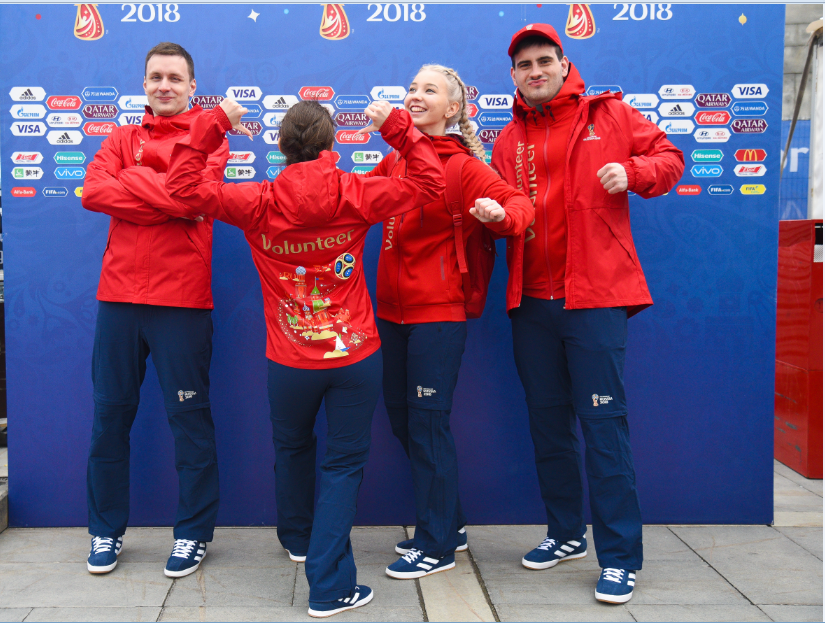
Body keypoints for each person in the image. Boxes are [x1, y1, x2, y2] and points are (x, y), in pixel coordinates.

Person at [165, 97, 444, 617]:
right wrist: (401, 130)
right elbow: (432, 185)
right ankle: (330, 584)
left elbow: (180, 190)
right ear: (332, 145)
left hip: (289, 360)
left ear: (281, 147)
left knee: (292, 447)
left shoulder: (257, 201)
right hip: (354, 356)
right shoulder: (355, 192)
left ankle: (297, 539)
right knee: (342, 466)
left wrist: (215, 123)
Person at [490, 24, 685, 604]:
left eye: (544, 61)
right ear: (514, 77)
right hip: (530, 302)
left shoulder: (613, 117)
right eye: (524, 66)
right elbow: (504, 210)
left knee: (603, 429)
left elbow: (670, 158)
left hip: (594, 300)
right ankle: (565, 533)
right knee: (547, 427)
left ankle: (620, 556)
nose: (535, 71)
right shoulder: (506, 140)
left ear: (564, 62)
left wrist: (636, 173)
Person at [364, 64, 533, 579]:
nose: (415, 95)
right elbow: (349, 197)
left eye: (428, 90)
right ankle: (450, 522)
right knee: (404, 420)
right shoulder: (394, 161)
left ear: (453, 109)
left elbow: (520, 206)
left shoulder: (463, 167)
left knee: (429, 424)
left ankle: (436, 545)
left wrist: (499, 216)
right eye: (411, 88)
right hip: (390, 314)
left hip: (438, 314)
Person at [81, 42, 229, 578]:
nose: (163, 85)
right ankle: (104, 531)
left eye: (174, 77)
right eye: (154, 77)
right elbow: (94, 191)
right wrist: (163, 193)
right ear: (144, 83)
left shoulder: (210, 138)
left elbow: (193, 199)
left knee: (189, 422)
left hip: (182, 302)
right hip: (118, 300)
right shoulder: (121, 137)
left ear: (193, 86)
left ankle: (192, 535)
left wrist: (136, 184)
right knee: (108, 421)